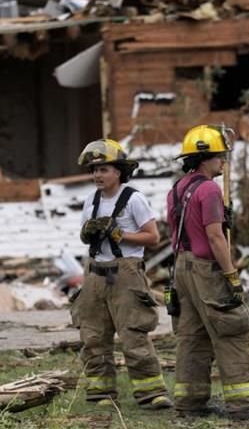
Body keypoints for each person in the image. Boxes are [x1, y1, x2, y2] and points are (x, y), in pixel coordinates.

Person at [166, 124, 249, 420]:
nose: (224, 162)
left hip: (181, 267)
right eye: (221, 156)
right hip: (207, 270)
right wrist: (231, 274)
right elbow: (215, 237)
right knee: (235, 330)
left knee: (191, 336)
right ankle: (245, 405)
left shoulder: (177, 188)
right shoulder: (209, 189)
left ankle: (190, 403)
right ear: (206, 158)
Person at [72, 138, 173, 410]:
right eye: (94, 170)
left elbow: (152, 237)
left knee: (133, 335)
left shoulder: (134, 199)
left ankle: (151, 394)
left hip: (126, 275)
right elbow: (85, 237)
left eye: (103, 169)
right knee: (93, 337)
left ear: (118, 171)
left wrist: (120, 234)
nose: (97, 175)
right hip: (94, 275)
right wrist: (88, 233)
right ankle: (100, 394)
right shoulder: (91, 201)